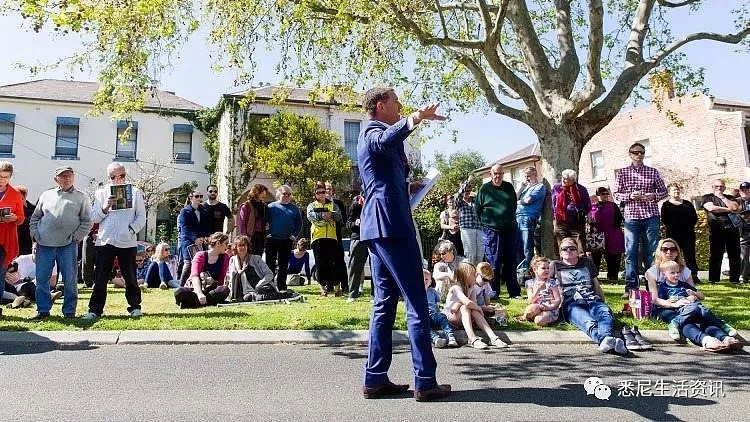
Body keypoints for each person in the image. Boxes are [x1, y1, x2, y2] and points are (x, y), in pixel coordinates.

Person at [357, 87, 449, 401]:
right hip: (392, 227)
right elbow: (383, 142)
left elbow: (382, 178)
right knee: (416, 302)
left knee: (384, 304)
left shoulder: (381, 134)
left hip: (379, 226)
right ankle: (425, 381)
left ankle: (375, 378)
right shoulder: (372, 130)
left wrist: (413, 186)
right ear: (381, 106)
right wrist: (416, 118)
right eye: (396, 103)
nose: (400, 107)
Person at [83, 163, 146, 320]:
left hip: (127, 242)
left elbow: (141, 216)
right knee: (101, 278)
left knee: (130, 277)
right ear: (108, 178)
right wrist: (105, 207)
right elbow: (94, 217)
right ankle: (95, 310)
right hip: (106, 241)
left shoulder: (136, 192)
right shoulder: (101, 193)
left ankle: (135, 307)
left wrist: (131, 230)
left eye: (122, 176)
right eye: (113, 177)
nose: (118, 179)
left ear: (126, 175)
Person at [29, 165, 92, 319]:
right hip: (44, 243)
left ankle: (69, 311)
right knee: (42, 278)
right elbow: (35, 218)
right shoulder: (46, 195)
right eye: (63, 176)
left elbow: (87, 221)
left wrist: (76, 237)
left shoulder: (81, 197)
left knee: (70, 279)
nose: (66, 178)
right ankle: (43, 310)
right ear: (55, 178)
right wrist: (35, 236)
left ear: (73, 177)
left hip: (67, 245)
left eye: (69, 175)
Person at [550, 237, 628, 355]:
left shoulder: (586, 262)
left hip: (592, 298)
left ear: (577, 251)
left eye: (572, 248)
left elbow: (596, 284)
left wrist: (603, 302)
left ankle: (606, 340)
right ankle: (607, 340)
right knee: (587, 321)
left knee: (604, 314)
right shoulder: (555, 265)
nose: (568, 251)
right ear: (560, 253)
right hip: (571, 303)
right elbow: (548, 285)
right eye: (565, 249)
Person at [613, 142, 667, 298]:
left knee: (651, 252)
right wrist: (630, 196)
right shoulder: (622, 173)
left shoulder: (652, 172)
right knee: (631, 252)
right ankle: (631, 287)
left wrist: (654, 196)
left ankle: (652, 286)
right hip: (632, 216)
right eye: (636, 152)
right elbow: (616, 194)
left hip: (651, 215)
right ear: (630, 154)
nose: (639, 155)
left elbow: (663, 191)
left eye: (642, 152)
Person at [653, 259, 741, 352]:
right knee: (690, 320)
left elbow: (701, 296)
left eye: (678, 272)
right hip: (680, 311)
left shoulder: (684, 285)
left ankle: (725, 338)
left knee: (703, 313)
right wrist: (671, 303)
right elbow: (659, 302)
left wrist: (693, 296)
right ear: (664, 274)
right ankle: (708, 341)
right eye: (672, 273)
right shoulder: (663, 287)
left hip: (693, 308)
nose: (676, 275)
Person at [474, 163, 521, 298]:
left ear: (503, 174)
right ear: (491, 174)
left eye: (500, 173)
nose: (498, 176)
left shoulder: (508, 187)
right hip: (492, 231)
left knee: (511, 261)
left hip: (510, 229)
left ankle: (514, 292)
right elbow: (477, 209)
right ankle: (493, 291)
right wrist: (487, 223)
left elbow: (513, 205)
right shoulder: (484, 189)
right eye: (495, 173)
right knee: (494, 261)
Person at [442, 261, 508, 349]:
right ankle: (472, 339)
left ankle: (493, 337)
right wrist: (479, 308)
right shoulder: (456, 288)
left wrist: (481, 308)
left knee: (473, 310)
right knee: (466, 307)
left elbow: (473, 304)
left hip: (464, 317)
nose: (476, 276)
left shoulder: (472, 288)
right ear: (466, 276)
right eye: (474, 274)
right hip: (452, 318)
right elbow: (467, 302)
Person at [307, 182, 344, 296]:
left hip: (332, 238)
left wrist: (331, 216)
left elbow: (339, 217)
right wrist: (323, 216)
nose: (321, 195)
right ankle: (323, 289)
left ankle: (337, 289)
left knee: (334, 263)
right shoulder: (312, 205)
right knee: (320, 264)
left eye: (323, 192)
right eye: (318, 193)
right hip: (318, 237)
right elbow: (311, 217)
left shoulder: (333, 205)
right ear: (315, 194)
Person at [174, 232, 231, 308]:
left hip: (210, 290)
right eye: (226, 243)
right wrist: (199, 293)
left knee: (224, 290)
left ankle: (192, 303)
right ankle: (207, 302)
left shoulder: (225, 257)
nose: (228, 246)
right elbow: (195, 276)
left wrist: (213, 282)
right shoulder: (200, 255)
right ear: (218, 243)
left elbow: (220, 281)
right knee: (179, 292)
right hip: (195, 289)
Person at [701, 179, 741, 284]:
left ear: (724, 187)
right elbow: (711, 208)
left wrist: (723, 198)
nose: (719, 188)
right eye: (716, 186)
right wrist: (728, 210)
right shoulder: (707, 197)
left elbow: (735, 207)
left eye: (721, 186)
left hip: (732, 229)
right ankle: (714, 279)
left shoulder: (730, 198)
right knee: (715, 254)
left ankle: (735, 279)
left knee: (735, 254)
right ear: (712, 187)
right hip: (716, 229)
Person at [265, 185, 302, 291]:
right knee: (270, 264)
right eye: (284, 194)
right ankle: (269, 286)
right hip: (272, 239)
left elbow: (299, 223)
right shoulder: (271, 207)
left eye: (289, 194)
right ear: (278, 195)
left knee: (283, 265)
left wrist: (294, 235)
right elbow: (264, 220)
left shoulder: (294, 208)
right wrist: (267, 233)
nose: (286, 196)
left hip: (286, 240)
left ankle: (282, 286)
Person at [660, 183, 699, 282]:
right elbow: (664, 219)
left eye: (677, 190)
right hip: (673, 234)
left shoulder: (687, 204)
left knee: (690, 255)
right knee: (672, 255)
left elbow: (694, 218)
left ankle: (693, 275)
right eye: (674, 190)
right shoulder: (666, 205)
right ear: (669, 193)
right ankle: (671, 275)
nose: (676, 192)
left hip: (688, 233)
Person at [551, 169, 591, 256]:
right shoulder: (556, 188)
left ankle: (580, 266)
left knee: (579, 247)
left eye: (566, 179)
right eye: (563, 178)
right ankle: (564, 266)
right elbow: (553, 203)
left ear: (573, 180)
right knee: (562, 246)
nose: (564, 180)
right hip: (561, 222)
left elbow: (588, 205)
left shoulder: (581, 189)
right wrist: (555, 215)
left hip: (577, 222)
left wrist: (581, 211)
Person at [589, 187, 625, 281]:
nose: (605, 196)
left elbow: (619, 218)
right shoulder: (593, 207)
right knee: (596, 257)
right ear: (598, 195)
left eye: (606, 194)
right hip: (597, 235)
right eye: (603, 194)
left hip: (612, 234)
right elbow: (590, 220)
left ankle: (612, 276)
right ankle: (594, 278)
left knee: (613, 256)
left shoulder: (612, 205)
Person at [515, 167, 546, 276]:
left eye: (529, 176)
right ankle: (519, 270)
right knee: (518, 245)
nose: (527, 179)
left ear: (535, 175)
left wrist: (517, 202)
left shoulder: (540, 187)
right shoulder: (525, 188)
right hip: (518, 217)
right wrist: (520, 188)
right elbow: (514, 198)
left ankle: (526, 271)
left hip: (528, 217)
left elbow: (528, 201)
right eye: (525, 176)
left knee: (526, 245)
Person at [0, 161, 25, 297]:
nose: (2, 180)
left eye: (5, 177)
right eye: (0, 177)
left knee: (1, 271)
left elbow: (21, 218)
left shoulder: (15, 194)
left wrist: (14, 218)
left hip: (6, 239)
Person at [228, 235, 276, 301]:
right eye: (240, 245)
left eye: (245, 245)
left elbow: (270, 274)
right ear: (235, 247)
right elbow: (230, 277)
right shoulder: (232, 260)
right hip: (243, 291)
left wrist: (260, 284)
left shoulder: (256, 259)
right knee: (247, 297)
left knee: (262, 292)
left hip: (260, 288)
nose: (243, 247)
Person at [177, 190, 211, 284]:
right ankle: (181, 286)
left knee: (202, 263)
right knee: (188, 263)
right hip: (188, 241)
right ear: (191, 198)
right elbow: (185, 228)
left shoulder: (204, 210)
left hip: (201, 241)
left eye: (201, 196)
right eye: (197, 196)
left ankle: (198, 285)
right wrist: (195, 238)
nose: (199, 198)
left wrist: (204, 238)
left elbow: (206, 226)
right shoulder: (185, 211)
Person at [520, 256, 561, 326]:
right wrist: (538, 289)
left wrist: (550, 307)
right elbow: (531, 301)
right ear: (535, 269)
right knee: (530, 310)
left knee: (539, 321)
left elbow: (557, 299)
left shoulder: (552, 282)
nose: (547, 270)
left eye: (548, 268)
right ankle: (532, 315)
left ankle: (542, 317)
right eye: (543, 268)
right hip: (537, 306)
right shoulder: (530, 283)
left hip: (550, 308)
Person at [423, 269, 457, 348]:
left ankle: (451, 337)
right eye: (421, 279)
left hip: (433, 315)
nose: (424, 281)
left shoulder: (432, 291)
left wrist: (439, 313)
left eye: (426, 279)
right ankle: (436, 339)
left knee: (441, 316)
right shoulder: (416, 293)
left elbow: (437, 304)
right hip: (423, 316)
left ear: (430, 281)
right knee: (423, 324)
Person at [346, 192, 369, 302]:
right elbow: (348, 223)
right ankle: (352, 294)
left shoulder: (376, 200)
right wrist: (356, 223)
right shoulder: (356, 203)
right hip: (358, 237)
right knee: (355, 266)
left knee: (376, 266)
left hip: (374, 236)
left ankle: (375, 295)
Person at [454, 178, 482, 265]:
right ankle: (470, 274)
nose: (467, 192)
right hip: (467, 229)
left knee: (481, 253)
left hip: (479, 227)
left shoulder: (475, 200)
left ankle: (479, 274)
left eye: (469, 190)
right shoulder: (459, 202)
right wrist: (467, 182)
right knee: (471, 254)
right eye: (465, 190)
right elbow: (458, 195)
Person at [238, 184, 269, 255]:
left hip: (261, 235)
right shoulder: (246, 205)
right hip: (250, 235)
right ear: (257, 192)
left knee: (258, 256)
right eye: (263, 192)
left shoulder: (264, 206)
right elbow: (242, 221)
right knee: (248, 256)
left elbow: (265, 220)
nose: (265, 194)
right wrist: (244, 236)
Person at [15, 185, 35, 255]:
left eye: (21, 198)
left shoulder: (34, 208)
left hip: (31, 242)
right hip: (19, 242)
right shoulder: (13, 210)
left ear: (25, 197)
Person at [738, 182, 750, 283]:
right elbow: (731, 214)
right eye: (743, 190)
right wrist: (741, 217)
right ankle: (743, 276)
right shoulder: (736, 201)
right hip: (743, 231)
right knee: (744, 255)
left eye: (747, 189)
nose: (745, 192)